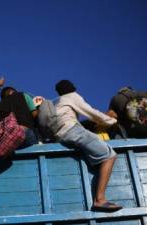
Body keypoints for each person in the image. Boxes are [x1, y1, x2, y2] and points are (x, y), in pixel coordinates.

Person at [53, 80, 121, 212]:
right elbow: (91, 113)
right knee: (110, 155)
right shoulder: (72, 96)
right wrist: (112, 121)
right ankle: (100, 200)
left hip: (59, 136)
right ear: (73, 88)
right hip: (71, 130)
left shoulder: (55, 101)